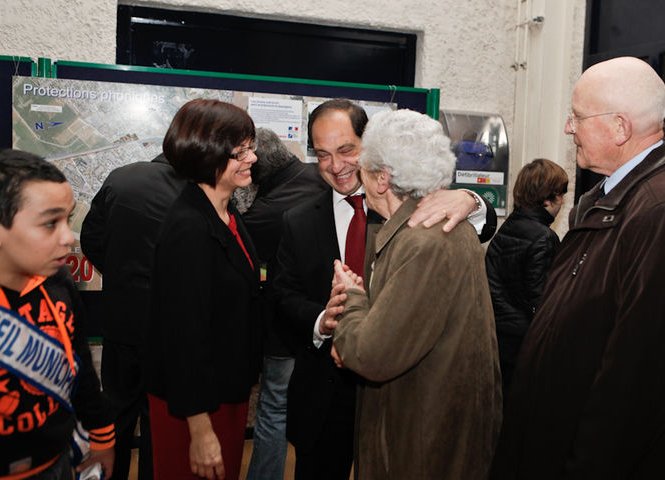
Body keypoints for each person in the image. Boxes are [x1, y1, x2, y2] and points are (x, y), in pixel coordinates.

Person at [490, 57, 665, 479]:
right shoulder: (616, 197)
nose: (568, 128)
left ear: (620, 127)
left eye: (577, 117)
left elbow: (639, 387)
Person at [273, 98, 496, 480]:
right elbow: (283, 295)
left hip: (405, 401)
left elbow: (479, 227)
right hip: (330, 396)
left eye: (347, 151)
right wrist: (323, 322)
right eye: (323, 154)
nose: (337, 165)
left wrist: (471, 198)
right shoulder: (298, 219)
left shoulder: (427, 216)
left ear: (371, 155)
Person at [145, 99, 262, 480]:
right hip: (194, 405)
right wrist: (200, 430)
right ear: (206, 154)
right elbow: (183, 336)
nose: (253, 158)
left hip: (225, 389)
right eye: (240, 151)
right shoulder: (189, 228)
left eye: (251, 147)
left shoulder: (226, 213)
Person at [0, 149, 115, 479]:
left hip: (58, 462)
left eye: (68, 220)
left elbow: (82, 368)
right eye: (50, 223)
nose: (67, 237)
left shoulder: (59, 283)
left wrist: (102, 438)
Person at [81, 153, 185, 480]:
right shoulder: (196, 192)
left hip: (120, 319)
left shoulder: (120, 177)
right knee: (158, 417)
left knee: (116, 410)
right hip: (168, 324)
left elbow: (91, 239)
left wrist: (119, 273)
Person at [243, 128, 327, 480]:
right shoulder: (320, 176)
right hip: (330, 317)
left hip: (287, 325)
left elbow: (243, 254)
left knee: (275, 407)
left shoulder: (265, 212)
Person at [485, 158, 568, 393]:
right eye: (560, 194)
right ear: (547, 199)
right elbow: (540, 299)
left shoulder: (508, 225)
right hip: (523, 340)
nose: (562, 201)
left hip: (498, 332)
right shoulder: (544, 237)